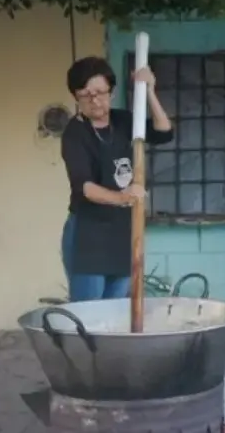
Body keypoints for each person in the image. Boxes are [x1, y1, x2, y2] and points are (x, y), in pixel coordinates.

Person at [60, 56, 174, 302]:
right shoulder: (75, 133)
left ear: (111, 93)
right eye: (86, 94)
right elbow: (85, 187)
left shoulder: (123, 121)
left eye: (100, 92)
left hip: (123, 230)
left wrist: (150, 91)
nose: (95, 100)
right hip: (88, 234)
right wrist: (124, 196)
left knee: (115, 314)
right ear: (76, 97)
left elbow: (164, 132)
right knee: (89, 315)